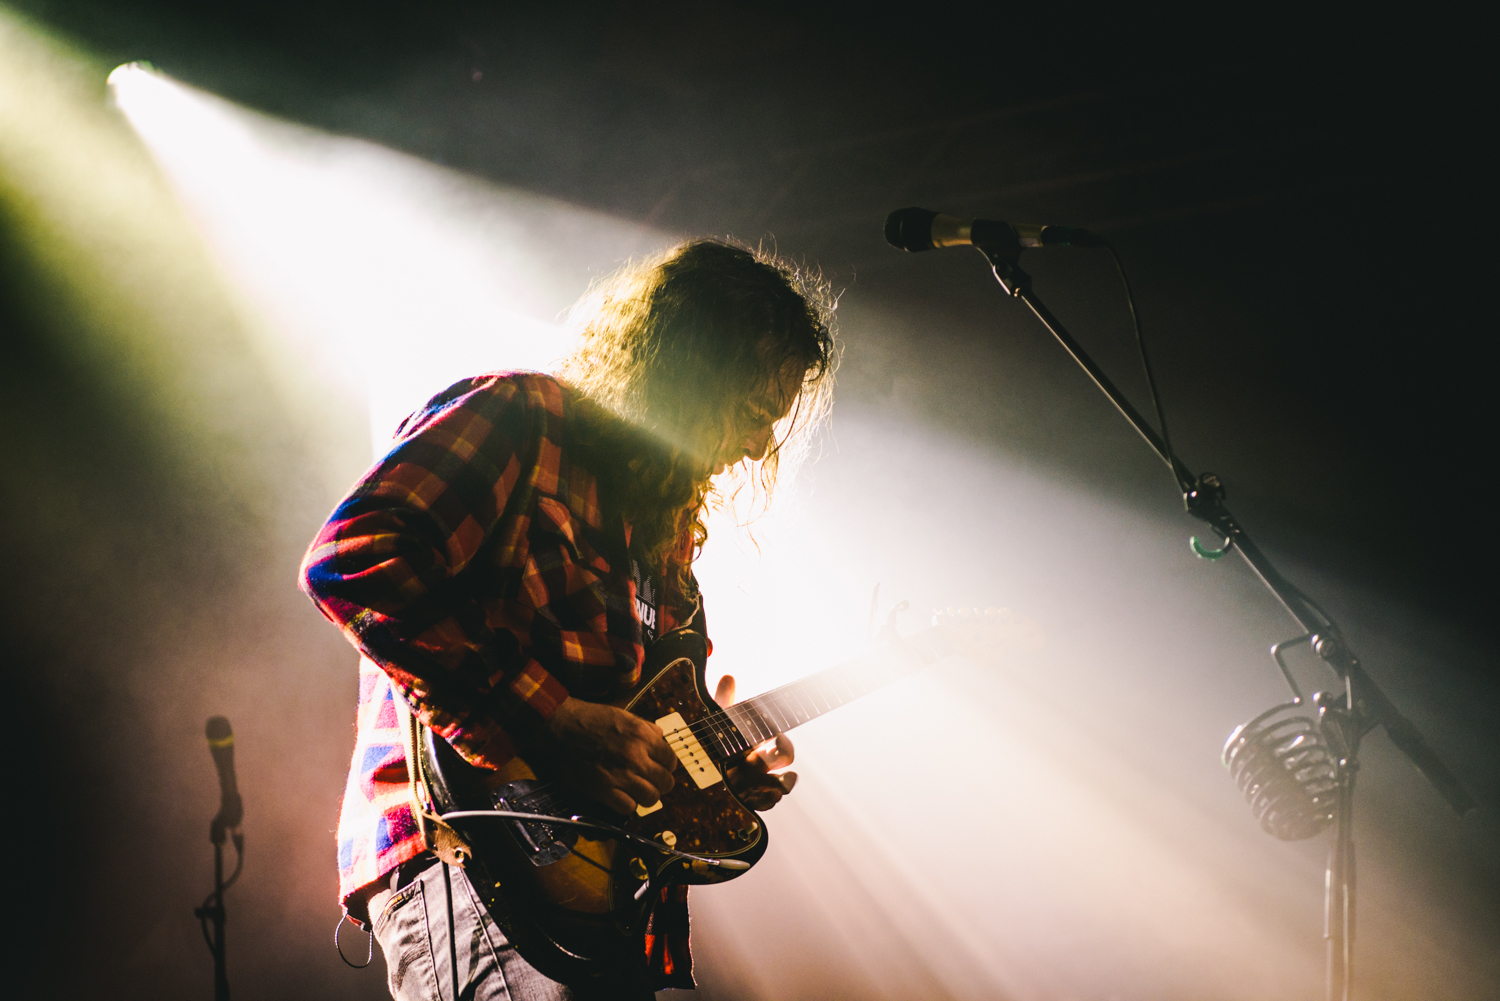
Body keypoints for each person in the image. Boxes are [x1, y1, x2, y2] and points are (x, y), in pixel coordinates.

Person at [299, 239, 838, 999]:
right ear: (689, 370)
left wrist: (707, 776)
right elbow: (354, 556)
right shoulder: (522, 418)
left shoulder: (667, 535)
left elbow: (629, 731)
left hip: (602, 894)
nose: (757, 446)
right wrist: (552, 716)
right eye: (752, 413)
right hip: (470, 852)